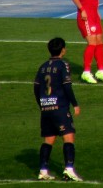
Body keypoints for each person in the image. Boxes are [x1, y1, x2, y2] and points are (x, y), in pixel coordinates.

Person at [34, 37, 82, 182]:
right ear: (63, 50)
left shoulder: (42, 66)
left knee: (48, 139)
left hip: (45, 107)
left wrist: (41, 104)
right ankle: (69, 169)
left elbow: (36, 87)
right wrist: (75, 104)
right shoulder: (63, 65)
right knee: (69, 136)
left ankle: (43, 170)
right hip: (60, 107)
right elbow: (67, 85)